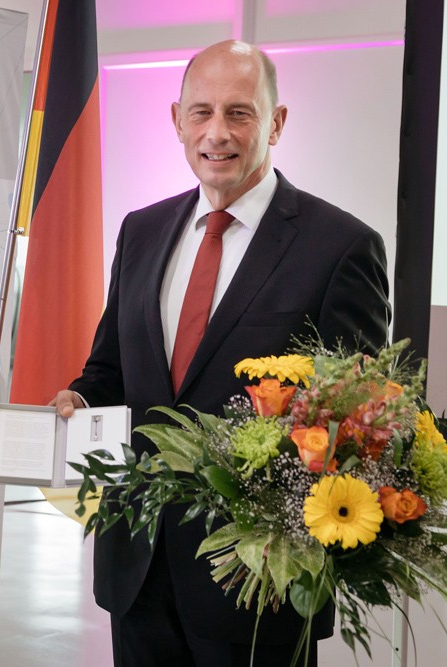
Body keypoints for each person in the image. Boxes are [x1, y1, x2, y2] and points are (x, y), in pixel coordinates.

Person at [51, 41, 390, 666]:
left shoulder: (341, 247)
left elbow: (359, 426)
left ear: (277, 122)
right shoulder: (141, 230)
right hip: (139, 570)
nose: (217, 133)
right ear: (176, 119)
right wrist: (78, 397)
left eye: (240, 113)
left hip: (255, 584)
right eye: (201, 112)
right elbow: (112, 369)